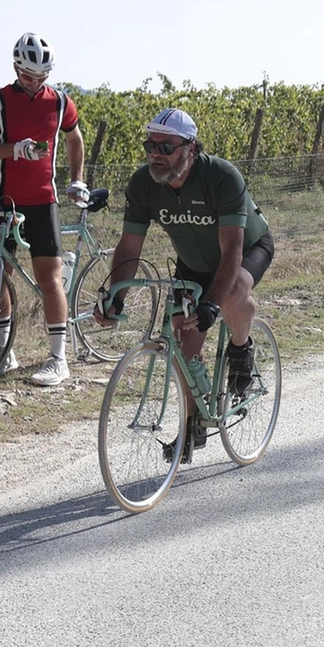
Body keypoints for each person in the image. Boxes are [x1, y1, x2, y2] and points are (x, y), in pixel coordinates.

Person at [94, 108, 274, 462]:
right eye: (151, 145)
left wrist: (212, 305)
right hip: (192, 265)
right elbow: (130, 246)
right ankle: (192, 426)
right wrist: (117, 296)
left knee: (235, 290)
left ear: (190, 149)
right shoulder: (144, 184)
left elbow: (232, 250)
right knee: (182, 344)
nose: (155, 154)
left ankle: (241, 347)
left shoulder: (221, 176)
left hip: (245, 251)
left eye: (166, 146)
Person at [0, 33, 89, 386]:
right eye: (27, 76)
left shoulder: (61, 102)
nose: (34, 84)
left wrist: (77, 179)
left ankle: (58, 359)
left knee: (49, 278)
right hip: (0, 200)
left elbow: (74, 137)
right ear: (16, 68)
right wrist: (12, 149)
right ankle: (4, 354)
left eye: (41, 77)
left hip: (42, 200)